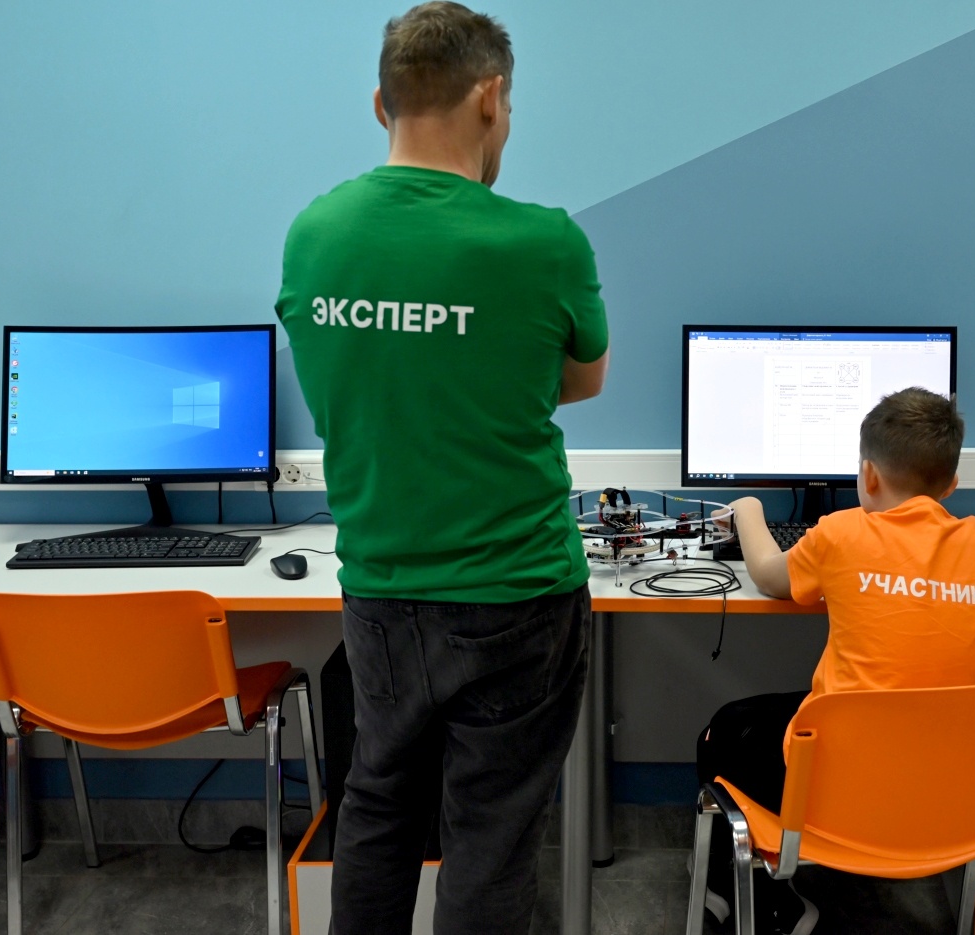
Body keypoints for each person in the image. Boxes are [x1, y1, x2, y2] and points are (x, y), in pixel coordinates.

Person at [275, 4, 609, 933]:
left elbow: (342, 376)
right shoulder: (544, 241)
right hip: (517, 592)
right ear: (490, 97)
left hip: (381, 590)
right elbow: (578, 382)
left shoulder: (315, 232)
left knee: (376, 803)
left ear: (380, 102)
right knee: (490, 835)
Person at [695, 387, 975, 935]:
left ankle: (759, 897)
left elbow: (771, 577)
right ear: (952, 485)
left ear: (868, 475)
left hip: (837, 796)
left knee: (724, 729)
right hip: (960, 801)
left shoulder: (839, 533)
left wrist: (749, 511)